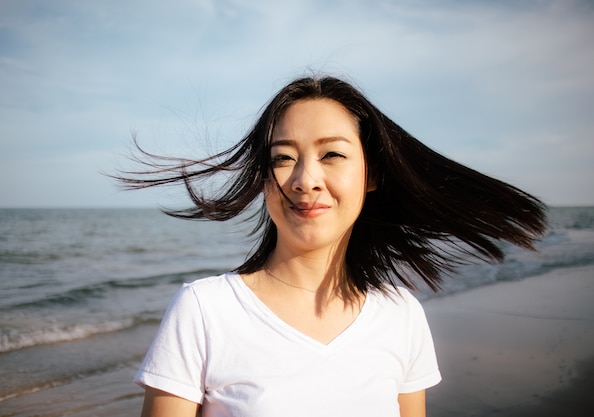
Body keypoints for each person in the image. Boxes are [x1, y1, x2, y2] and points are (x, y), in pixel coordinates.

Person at [117, 75, 546, 417]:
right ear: (264, 180)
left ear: (371, 175)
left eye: (332, 155)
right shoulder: (205, 310)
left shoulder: (400, 315)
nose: (305, 179)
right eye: (283, 158)